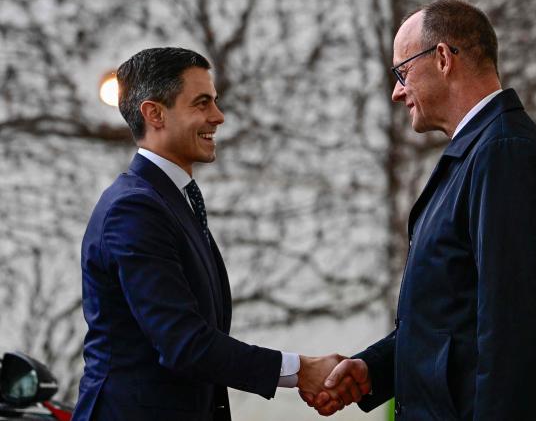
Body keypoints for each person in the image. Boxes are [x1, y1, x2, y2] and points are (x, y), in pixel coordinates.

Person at [308, 0, 536, 420]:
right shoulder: (482, 152)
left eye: (402, 72)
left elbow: (517, 333)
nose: (397, 92)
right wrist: (373, 368)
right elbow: (453, 319)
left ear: (441, 58)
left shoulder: (505, 154)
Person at [72, 47, 362, 421]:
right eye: (202, 103)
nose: (218, 116)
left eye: (215, 102)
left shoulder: (166, 200)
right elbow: (185, 344)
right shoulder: (135, 209)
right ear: (154, 113)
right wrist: (300, 370)